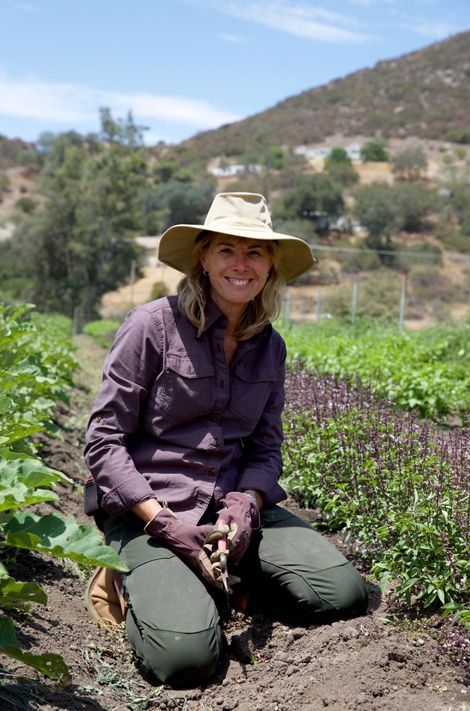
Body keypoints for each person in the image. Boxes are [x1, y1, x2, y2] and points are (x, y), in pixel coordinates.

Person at [84, 192, 368, 688]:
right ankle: (135, 580)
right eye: (227, 250)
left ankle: (222, 573)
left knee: (342, 593)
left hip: (230, 505)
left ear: (271, 265)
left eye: (255, 252)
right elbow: (104, 441)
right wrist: (165, 524)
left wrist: (246, 504)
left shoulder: (270, 347)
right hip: (151, 513)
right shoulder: (152, 327)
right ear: (203, 258)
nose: (241, 264)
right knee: (185, 657)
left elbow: (265, 447)